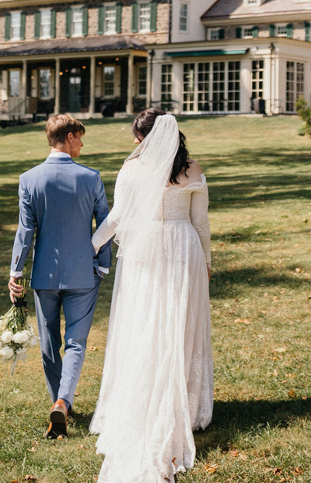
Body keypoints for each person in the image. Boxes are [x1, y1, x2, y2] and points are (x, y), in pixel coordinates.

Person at [88, 109, 214, 482]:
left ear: (144, 138)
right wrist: (207, 261)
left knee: (146, 323)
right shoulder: (191, 168)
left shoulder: (132, 169)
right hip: (184, 248)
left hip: (147, 252)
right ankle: (188, 407)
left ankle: (151, 397)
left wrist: (90, 244)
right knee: (180, 323)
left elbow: (117, 218)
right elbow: (201, 222)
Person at [9, 114, 113, 439]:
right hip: (83, 273)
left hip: (44, 276)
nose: (82, 143)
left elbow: (26, 229)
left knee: (49, 345)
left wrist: (16, 271)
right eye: (80, 137)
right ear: (68, 137)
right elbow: (106, 223)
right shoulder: (91, 177)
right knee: (76, 343)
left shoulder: (29, 179)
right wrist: (104, 264)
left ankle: (59, 402)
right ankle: (63, 402)